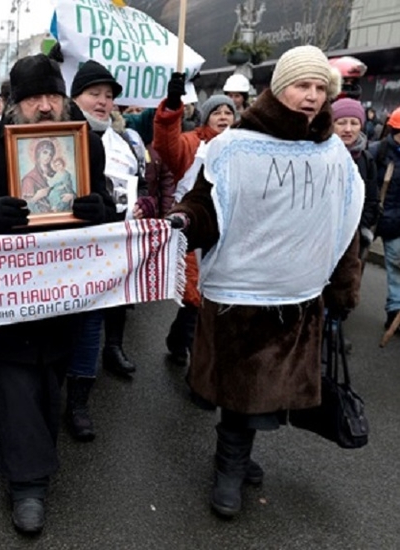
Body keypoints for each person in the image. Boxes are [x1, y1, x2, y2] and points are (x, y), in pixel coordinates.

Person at [167, 45, 363, 518]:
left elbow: (345, 221)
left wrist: (343, 288)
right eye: (303, 85)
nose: (312, 96)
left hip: (298, 297)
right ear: (279, 89)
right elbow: (205, 205)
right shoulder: (234, 146)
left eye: (321, 88)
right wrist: (184, 220)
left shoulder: (332, 153)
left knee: (267, 392)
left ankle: (239, 456)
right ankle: (229, 467)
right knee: (242, 391)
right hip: (241, 295)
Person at [0, 53, 116, 535]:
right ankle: (27, 484)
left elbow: (105, 206)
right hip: (6, 292)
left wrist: (97, 209)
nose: (44, 107)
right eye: (32, 98)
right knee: (14, 380)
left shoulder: (85, 143)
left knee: (49, 380)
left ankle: (28, 455)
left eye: (51, 96)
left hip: (65, 287)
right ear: (13, 104)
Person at [63, 59, 176, 440]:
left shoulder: (126, 141)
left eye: (108, 96)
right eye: (94, 93)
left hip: (107, 248)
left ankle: (78, 403)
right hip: (59, 252)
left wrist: (143, 203)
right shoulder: (55, 135)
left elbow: (143, 183)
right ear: (74, 96)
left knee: (92, 323)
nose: (102, 101)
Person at [154, 86, 237, 367]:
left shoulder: (242, 148)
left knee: (211, 295)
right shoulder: (191, 143)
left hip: (226, 231)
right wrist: (171, 109)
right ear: (205, 118)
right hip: (191, 226)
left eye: (229, 112)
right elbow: (166, 146)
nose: (224, 117)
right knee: (194, 292)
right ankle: (194, 360)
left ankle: (180, 338)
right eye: (217, 111)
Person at [331, 98, 381, 259]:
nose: (348, 129)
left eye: (354, 123)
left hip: (353, 238)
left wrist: (359, 227)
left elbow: (372, 199)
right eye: (341, 122)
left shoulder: (366, 160)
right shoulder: (318, 155)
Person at [368, 106, 400, 332]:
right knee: (354, 264)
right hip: (372, 219)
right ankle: (342, 306)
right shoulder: (376, 152)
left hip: (397, 223)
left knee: (397, 269)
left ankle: (394, 314)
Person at [21, 139, 57, 212]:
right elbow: (24, 206)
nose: (48, 156)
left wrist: (71, 196)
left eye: (50, 154)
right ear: (38, 154)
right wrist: (37, 197)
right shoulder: (29, 179)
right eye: (45, 152)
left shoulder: (56, 174)